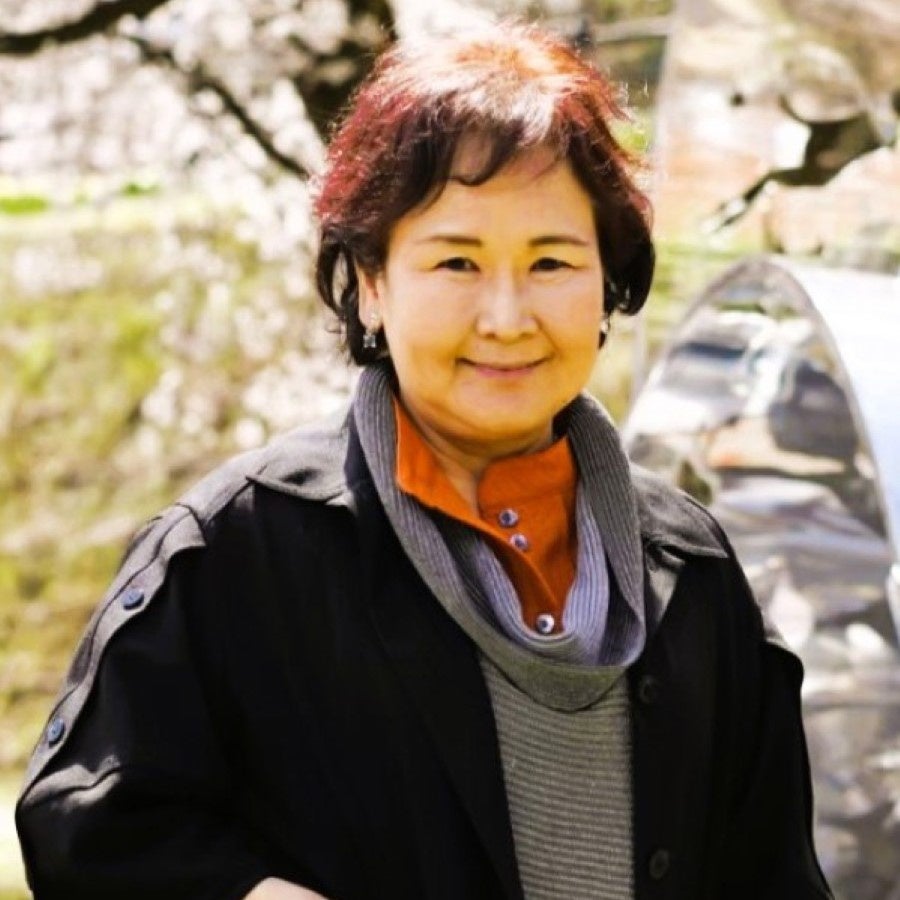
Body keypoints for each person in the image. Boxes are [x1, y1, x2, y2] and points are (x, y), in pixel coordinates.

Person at [16, 19, 832, 900]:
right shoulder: (239, 550)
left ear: (608, 281)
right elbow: (93, 833)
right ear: (371, 283)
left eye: (552, 262)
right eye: (456, 263)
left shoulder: (693, 573)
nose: (507, 318)